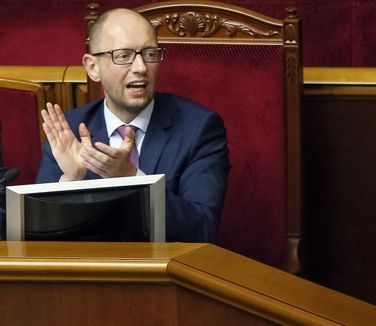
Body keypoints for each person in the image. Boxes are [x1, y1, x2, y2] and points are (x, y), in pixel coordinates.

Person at [36, 8, 230, 242]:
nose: (140, 67)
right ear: (92, 67)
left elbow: (202, 229)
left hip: (165, 275)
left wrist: (133, 181)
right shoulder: (68, 131)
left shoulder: (199, 128)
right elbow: (40, 239)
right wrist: (70, 183)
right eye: (124, 55)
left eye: (149, 53)